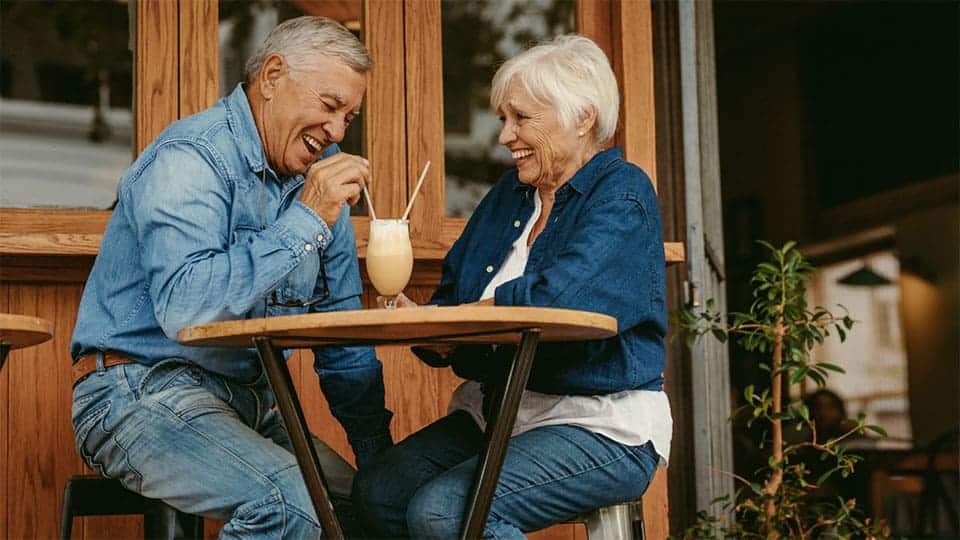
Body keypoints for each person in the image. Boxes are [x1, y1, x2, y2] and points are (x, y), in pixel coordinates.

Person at [69, 16, 392, 539]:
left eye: (348, 117)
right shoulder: (192, 158)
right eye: (329, 106)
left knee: (377, 516)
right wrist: (306, 220)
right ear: (271, 76)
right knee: (290, 506)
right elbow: (187, 308)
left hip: (249, 402)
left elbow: (341, 335)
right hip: (136, 392)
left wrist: (379, 460)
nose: (336, 131)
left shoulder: (320, 176)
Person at [352, 34, 672, 539]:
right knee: (379, 493)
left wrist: (467, 318)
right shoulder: (510, 195)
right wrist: (434, 329)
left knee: (443, 512)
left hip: (600, 424)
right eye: (504, 118)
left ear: (582, 117)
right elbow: (453, 297)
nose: (504, 135)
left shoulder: (622, 192)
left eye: (520, 118)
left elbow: (559, 301)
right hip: (499, 414)